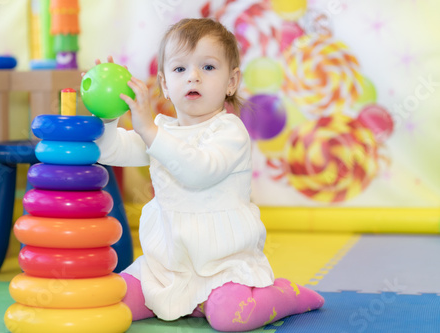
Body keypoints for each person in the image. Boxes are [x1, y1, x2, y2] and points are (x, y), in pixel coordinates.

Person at [95, 18, 324, 332]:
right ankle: (188, 301)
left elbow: (197, 171)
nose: (193, 77)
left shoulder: (230, 132)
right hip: (166, 266)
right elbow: (110, 152)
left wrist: (147, 129)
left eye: (208, 67)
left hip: (222, 265)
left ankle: (286, 296)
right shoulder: (162, 130)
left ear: (231, 82)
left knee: (231, 317)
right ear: (164, 84)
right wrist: (108, 119)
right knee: (111, 298)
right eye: (180, 69)